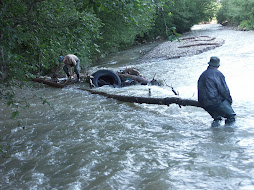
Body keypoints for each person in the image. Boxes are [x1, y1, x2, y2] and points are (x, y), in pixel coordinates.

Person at [198, 56, 236, 126]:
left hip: (203, 103)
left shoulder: (203, 74)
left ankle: (215, 133)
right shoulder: (218, 74)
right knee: (231, 116)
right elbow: (224, 90)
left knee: (217, 118)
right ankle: (229, 133)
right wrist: (229, 101)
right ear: (217, 65)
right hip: (215, 102)